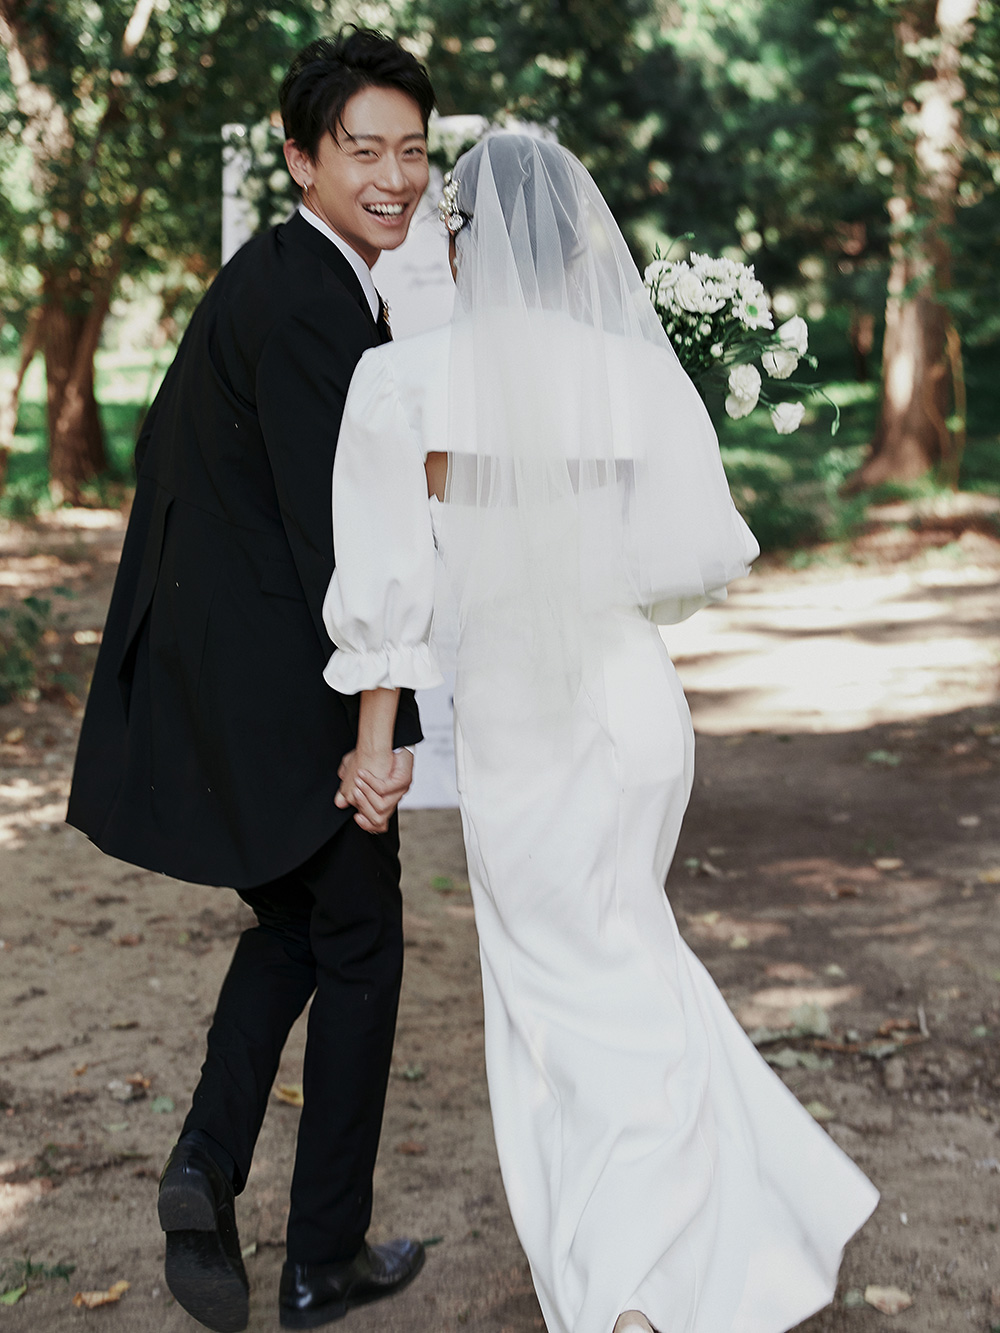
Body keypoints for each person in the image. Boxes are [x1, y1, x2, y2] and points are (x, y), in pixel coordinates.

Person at [322, 133, 880, 1333]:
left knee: (572, 989)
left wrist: (375, 744)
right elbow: (686, 559)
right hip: (634, 698)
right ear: (581, 248)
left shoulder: (399, 383)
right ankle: (720, 1240)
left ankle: (628, 1294)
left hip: (521, 717)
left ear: (461, 245)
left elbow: (386, 590)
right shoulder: (634, 373)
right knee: (627, 961)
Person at [66, 29, 435, 1333]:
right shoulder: (314, 309)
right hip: (287, 686)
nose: (393, 177)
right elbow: (348, 539)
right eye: (363, 150)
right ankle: (322, 1257)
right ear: (300, 159)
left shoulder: (287, 276)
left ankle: (202, 1169)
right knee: (362, 945)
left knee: (295, 927)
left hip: (227, 664)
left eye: (412, 151)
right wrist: (379, 732)